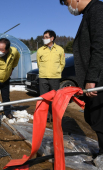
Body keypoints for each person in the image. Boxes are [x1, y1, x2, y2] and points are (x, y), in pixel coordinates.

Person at [59, 0, 103, 156]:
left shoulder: (97, 9)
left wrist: (91, 79)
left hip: (98, 78)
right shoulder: (89, 12)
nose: (68, 7)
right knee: (92, 116)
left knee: (99, 118)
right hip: (93, 78)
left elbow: (99, 45)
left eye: (67, 2)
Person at [37, 30, 65, 121]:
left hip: (55, 77)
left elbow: (62, 63)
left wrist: (56, 71)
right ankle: (44, 116)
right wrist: (43, 71)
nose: (44, 39)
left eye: (46, 37)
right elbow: (39, 63)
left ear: (52, 38)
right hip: (43, 77)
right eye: (43, 37)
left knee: (54, 98)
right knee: (44, 98)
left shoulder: (60, 49)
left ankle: (54, 116)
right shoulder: (40, 50)